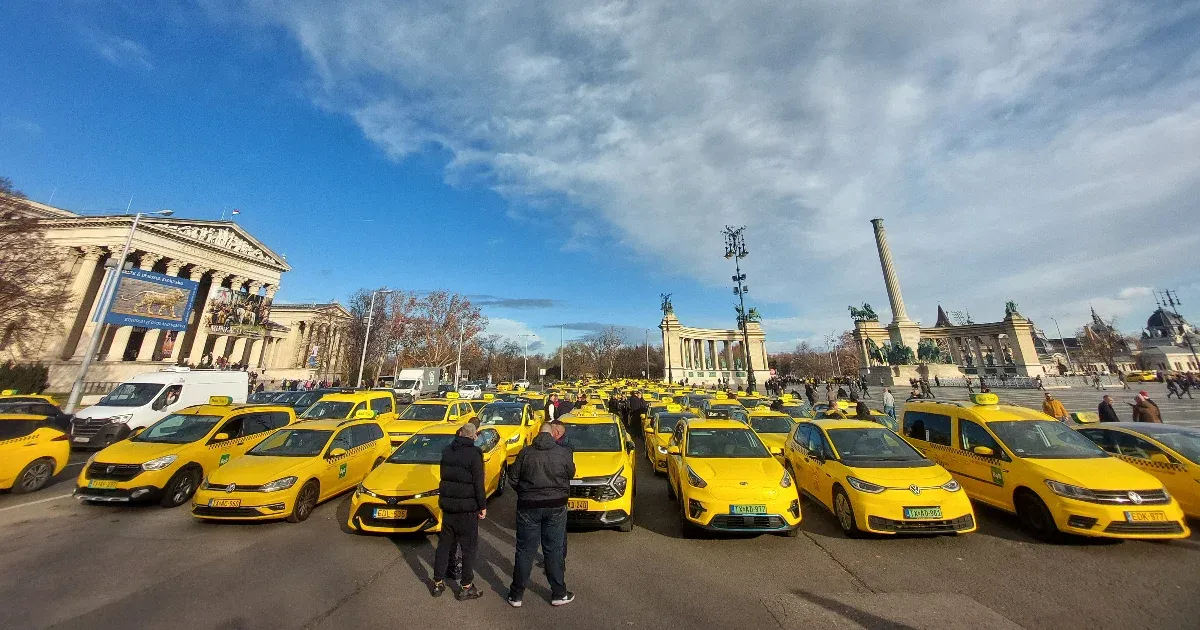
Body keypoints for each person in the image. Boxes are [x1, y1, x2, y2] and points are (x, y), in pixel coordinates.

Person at [507, 423, 575, 607]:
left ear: (538, 434)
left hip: (528, 506)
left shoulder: (525, 452)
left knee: (525, 550)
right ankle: (559, 593)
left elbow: (512, 478)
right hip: (556, 506)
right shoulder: (563, 452)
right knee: (553, 549)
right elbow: (571, 473)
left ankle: (516, 595)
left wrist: (524, 492)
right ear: (553, 434)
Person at [431, 424, 487, 601]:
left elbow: (444, 476)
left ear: (460, 433)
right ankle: (466, 586)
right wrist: (482, 506)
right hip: (467, 509)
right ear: (473, 437)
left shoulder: (447, 451)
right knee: (468, 548)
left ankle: (438, 582)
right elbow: (478, 484)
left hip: (448, 507)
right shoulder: (474, 454)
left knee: (444, 545)